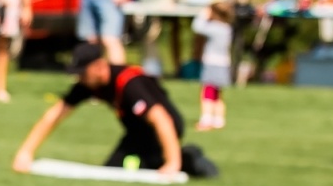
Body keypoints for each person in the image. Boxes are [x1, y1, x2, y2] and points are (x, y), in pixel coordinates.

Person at [12, 43, 219, 178]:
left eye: (83, 73)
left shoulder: (128, 83)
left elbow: (161, 118)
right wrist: (25, 152)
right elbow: (56, 114)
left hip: (164, 130)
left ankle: (187, 157)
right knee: (112, 171)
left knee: (156, 169)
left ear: (99, 66)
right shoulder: (90, 84)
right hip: (136, 134)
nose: (80, 79)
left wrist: (173, 163)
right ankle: (167, 158)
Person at [190, 2, 233, 131]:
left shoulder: (215, 27)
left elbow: (197, 27)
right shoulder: (227, 28)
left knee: (207, 92)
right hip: (224, 64)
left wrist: (203, 15)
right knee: (217, 94)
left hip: (212, 63)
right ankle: (219, 120)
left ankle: (206, 119)